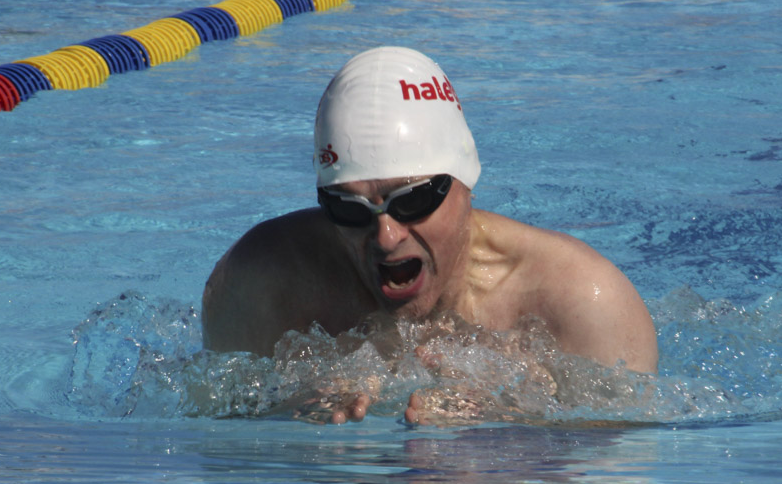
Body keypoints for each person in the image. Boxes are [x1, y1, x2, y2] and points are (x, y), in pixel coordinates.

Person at [202, 46, 657, 424]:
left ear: (465, 181)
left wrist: (516, 419)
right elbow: (214, 454)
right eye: (348, 208)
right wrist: (284, 412)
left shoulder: (583, 301)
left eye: (412, 201)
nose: (385, 235)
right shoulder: (261, 281)